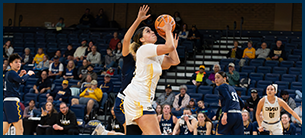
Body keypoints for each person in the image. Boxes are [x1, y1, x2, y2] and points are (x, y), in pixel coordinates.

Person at [123, 5, 180, 135]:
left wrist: (169, 41)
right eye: (147, 31)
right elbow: (169, 47)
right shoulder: (145, 48)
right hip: (139, 98)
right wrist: (168, 32)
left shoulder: (155, 54)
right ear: (142, 39)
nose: (152, 31)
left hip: (137, 98)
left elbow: (174, 61)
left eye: (151, 30)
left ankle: (104, 133)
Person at [3, 53, 35, 135]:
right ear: (10, 64)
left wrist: (20, 75)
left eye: (19, 62)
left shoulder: (9, 73)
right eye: (16, 62)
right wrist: (28, 74)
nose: (18, 64)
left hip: (7, 102)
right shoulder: (12, 72)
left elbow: (15, 82)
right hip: (12, 102)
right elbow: (22, 80)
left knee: (4, 129)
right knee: (20, 129)